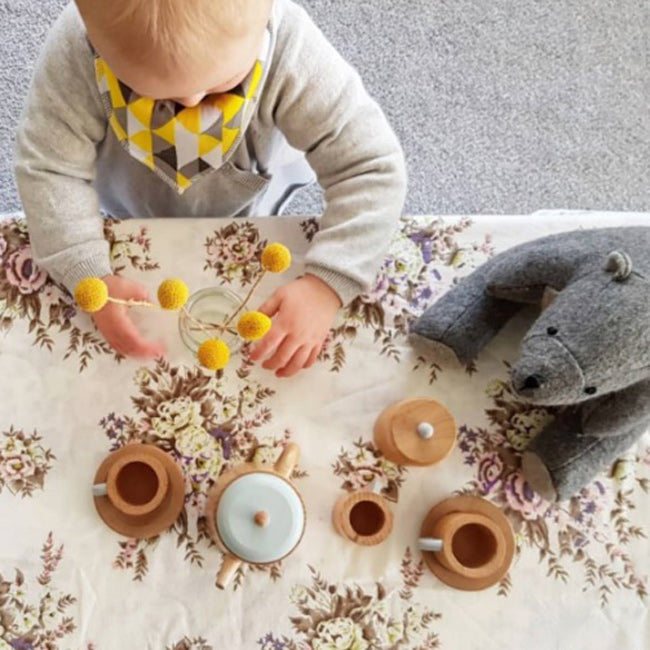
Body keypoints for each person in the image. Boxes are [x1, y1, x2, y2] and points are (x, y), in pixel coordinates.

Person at [15, 0, 407, 377]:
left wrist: (327, 285)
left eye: (221, 85)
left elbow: (372, 168)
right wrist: (87, 271)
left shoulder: (292, 51)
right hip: (127, 198)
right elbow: (49, 169)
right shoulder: (78, 47)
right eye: (157, 94)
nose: (191, 102)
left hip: (242, 195)